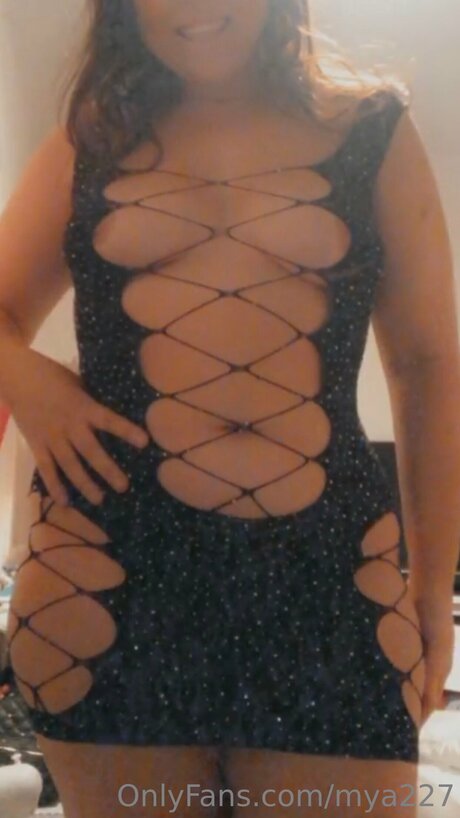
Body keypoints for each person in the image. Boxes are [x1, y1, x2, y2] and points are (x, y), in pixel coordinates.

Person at [0, 1, 459, 816]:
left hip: (328, 583)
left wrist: (432, 590)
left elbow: (426, 367)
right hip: (106, 578)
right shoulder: (92, 139)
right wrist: (28, 382)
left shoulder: (372, 130)